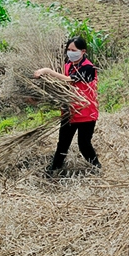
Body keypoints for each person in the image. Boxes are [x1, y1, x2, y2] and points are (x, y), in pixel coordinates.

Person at [34, 36, 101, 173]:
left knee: (84, 144)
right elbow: (61, 88)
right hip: (69, 112)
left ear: (83, 51)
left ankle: (97, 168)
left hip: (86, 113)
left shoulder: (88, 68)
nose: (70, 52)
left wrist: (47, 71)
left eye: (74, 50)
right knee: (62, 144)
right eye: (68, 50)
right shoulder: (68, 65)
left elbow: (69, 80)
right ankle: (55, 170)